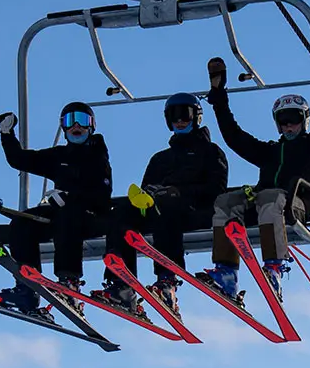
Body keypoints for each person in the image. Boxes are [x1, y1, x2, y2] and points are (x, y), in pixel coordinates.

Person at [199, 46, 310, 299]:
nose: (289, 125)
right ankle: (226, 272)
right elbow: (234, 137)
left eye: (294, 118)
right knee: (226, 201)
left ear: (304, 120)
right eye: (283, 120)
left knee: (271, 198)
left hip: (298, 203)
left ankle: (274, 268)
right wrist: (218, 96)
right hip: (267, 202)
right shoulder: (269, 151)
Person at [97, 92, 229, 318]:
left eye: (185, 115)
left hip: (193, 209)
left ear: (196, 117)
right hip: (156, 209)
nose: (179, 121)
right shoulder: (160, 158)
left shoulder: (210, 152)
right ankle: (122, 285)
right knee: (121, 212)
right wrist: (143, 196)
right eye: (174, 116)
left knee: (167, 206)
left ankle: (167, 280)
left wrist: (179, 192)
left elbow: (217, 188)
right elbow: (147, 186)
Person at [0, 101, 111, 316]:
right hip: (59, 213)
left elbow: (101, 192)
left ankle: (69, 281)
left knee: (69, 214)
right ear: (63, 126)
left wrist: (71, 197)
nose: (76, 125)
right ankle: (27, 287)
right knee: (24, 220)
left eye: (82, 120)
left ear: (92, 125)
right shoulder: (58, 157)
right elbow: (20, 160)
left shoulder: (97, 156)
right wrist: (7, 133)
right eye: (70, 121)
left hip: (89, 215)